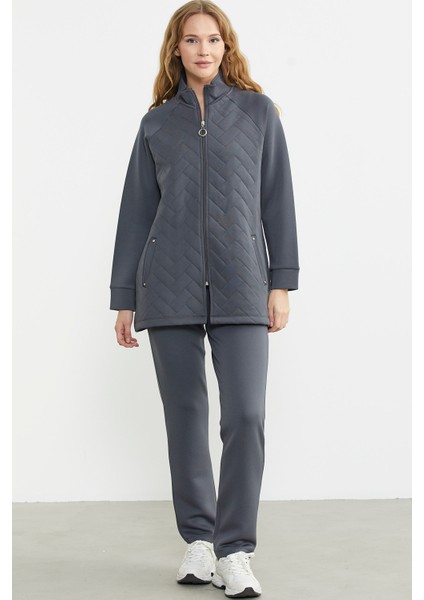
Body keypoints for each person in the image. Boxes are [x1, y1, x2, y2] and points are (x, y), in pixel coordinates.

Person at [109, 1, 300, 597]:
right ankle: (199, 539)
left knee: (245, 416)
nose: (203, 50)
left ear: (226, 46)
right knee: (185, 417)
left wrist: (281, 282)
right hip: (168, 287)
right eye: (191, 40)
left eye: (213, 39)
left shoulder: (258, 113)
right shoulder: (155, 124)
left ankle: (235, 549)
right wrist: (124, 297)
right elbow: (136, 213)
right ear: (177, 49)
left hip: (243, 284)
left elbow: (277, 200)